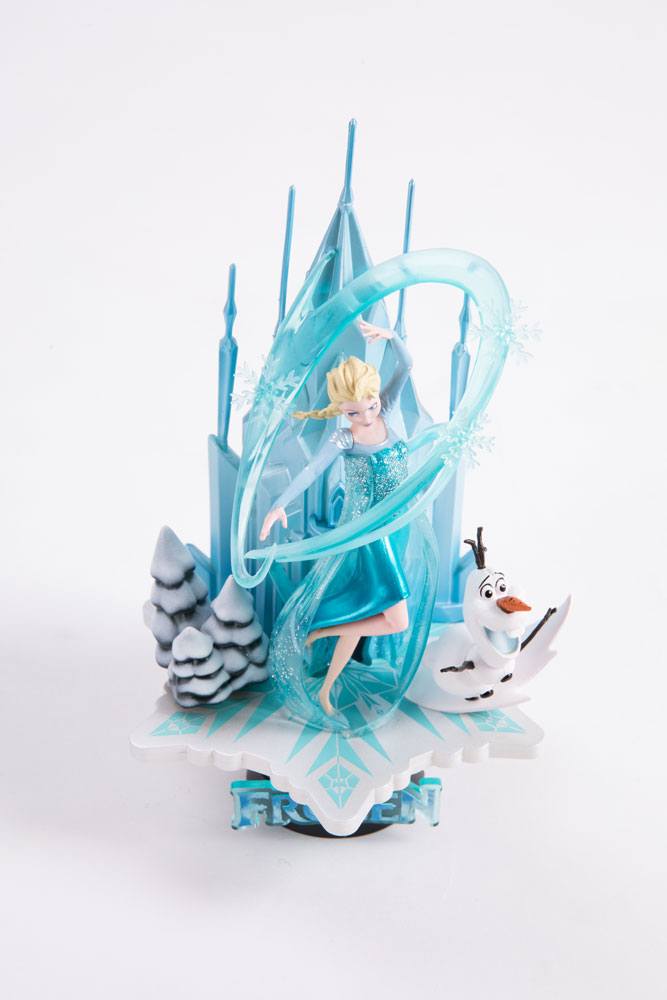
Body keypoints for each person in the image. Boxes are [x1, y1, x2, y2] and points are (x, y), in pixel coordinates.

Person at [259, 319, 415, 715]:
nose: (366, 416)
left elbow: (407, 365)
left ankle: (327, 690)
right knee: (397, 620)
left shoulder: (387, 408)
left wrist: (392, 337)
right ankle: (322, 631)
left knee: (369, 612)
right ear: (341, 411)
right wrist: (280, 503)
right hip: (373, 534)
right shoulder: (344, 437)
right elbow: (312, 471)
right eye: (354, 411)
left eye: (370, 405)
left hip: (398, 526)